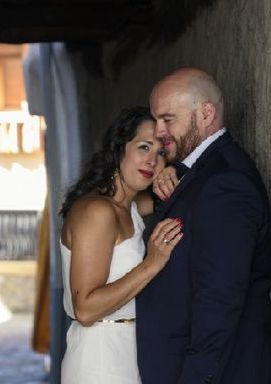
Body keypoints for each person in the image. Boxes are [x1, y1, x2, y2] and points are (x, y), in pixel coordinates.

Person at [136, 68, 271, 384]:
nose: (158, 131)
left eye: (168, 120)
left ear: (206, 114)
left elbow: (220, 297)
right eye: (156, 119)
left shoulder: (226, 182)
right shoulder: (201, 173)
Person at [59, 106, 183, 384]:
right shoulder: (97, 212)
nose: (152, 160)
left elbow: (177, 197)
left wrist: (173, 173)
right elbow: (86, 309)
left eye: (161, 152)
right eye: (144, 147)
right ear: (119, 149)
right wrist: (151, 265)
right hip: (100, 359)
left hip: (125, 352)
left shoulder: (128, 207)